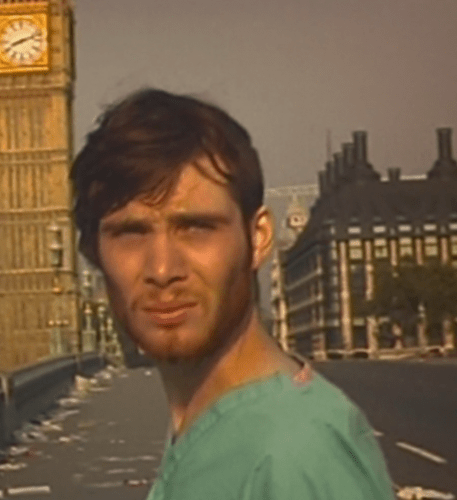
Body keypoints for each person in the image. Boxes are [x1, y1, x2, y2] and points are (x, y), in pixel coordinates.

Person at [71, 89, 395, 499]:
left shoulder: (296, 456)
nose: (162, 270)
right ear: (94, 254)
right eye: (130, 234)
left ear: (258, 238)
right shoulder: (208, 424)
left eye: (195, 228)